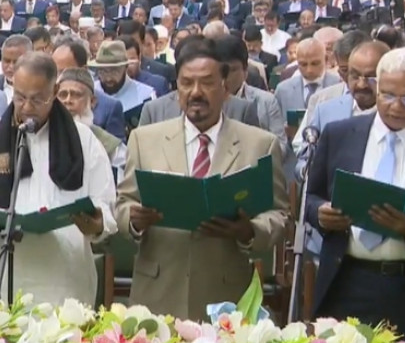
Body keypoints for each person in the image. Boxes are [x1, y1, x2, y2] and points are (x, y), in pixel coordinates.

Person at [116, 37, 289, 319]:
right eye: (186, 83)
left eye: (207, 82)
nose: (196, 92)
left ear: (225, 87)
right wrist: (134, 220)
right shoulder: (143, 140)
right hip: (158, 293)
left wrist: (249, 231)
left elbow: (279, 214)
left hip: (225, 295)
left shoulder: (260, 144)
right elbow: (123, 204)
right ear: (176, 89)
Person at [0, 53, 117, 304]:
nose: (28, 107)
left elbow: (107, 210)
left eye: (38, 99)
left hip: (63, 279)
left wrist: (95, 224)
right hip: (3, 273)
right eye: (20, 97)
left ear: (54, 91)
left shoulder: (84, 140)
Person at [306, 47, 405, 338]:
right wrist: (321, 214)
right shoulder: (340, 134)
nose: (397, 107)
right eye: (388, 95)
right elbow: (310, 196)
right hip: (346, 279)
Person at [295, 40, 388, 176]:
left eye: (370, 77)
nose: (361, 85)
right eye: (355, 76)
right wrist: (307, 171)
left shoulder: (398, 115)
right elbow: (303, 160)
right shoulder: (325, 111)